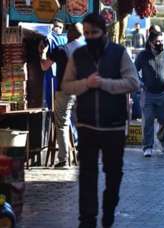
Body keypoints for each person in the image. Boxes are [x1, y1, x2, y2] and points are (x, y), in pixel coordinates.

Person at [62, 13, 140, 228]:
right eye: (86, 33)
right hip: (86, 125)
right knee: (87, 176)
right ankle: (87, 220)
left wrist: (105, 83)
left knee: (113, 175)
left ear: (104, 32)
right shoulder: (77, 55)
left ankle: (108, 215)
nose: (89, 37)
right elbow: (67, 85)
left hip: (113, 127)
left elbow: (133, 82)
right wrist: (86, 83)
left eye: (93, 33)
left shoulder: (119, 53)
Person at [39, 23, 85, 168]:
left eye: (67, 32)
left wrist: (42, 52)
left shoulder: (63, 50)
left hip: (65, 92)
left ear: (71, 34)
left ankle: (63, 159)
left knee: (62, 124)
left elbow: (44, 66)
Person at [135, 31, 164, 158]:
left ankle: (161, 137)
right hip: (148, 94)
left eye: (161, 40)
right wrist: (140, 82)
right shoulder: (143, 56)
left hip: (163, 94)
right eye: (157, 41)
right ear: (150, 42)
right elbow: (134, 70)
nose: (160, 43)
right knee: (148, 119)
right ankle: (147, 146)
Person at [43, 18, 67, 109]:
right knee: (51, 102)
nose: (58, 29)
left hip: (63, 76)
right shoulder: (47, 38)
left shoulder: (65, 39)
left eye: (60, 27)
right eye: (55, 26)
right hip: (51, 74)